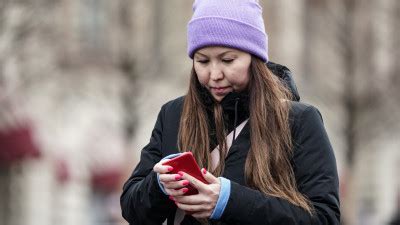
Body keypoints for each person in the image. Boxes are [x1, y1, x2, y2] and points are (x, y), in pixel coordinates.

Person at [120, 0, 340, 224]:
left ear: (254, 60)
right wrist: (159, 184)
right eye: (202, 61)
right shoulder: (173, 115)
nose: (214, 74)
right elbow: (132, 209)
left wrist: (228, 200)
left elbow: (325, 218)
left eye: (227, 60)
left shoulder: (299, 121)